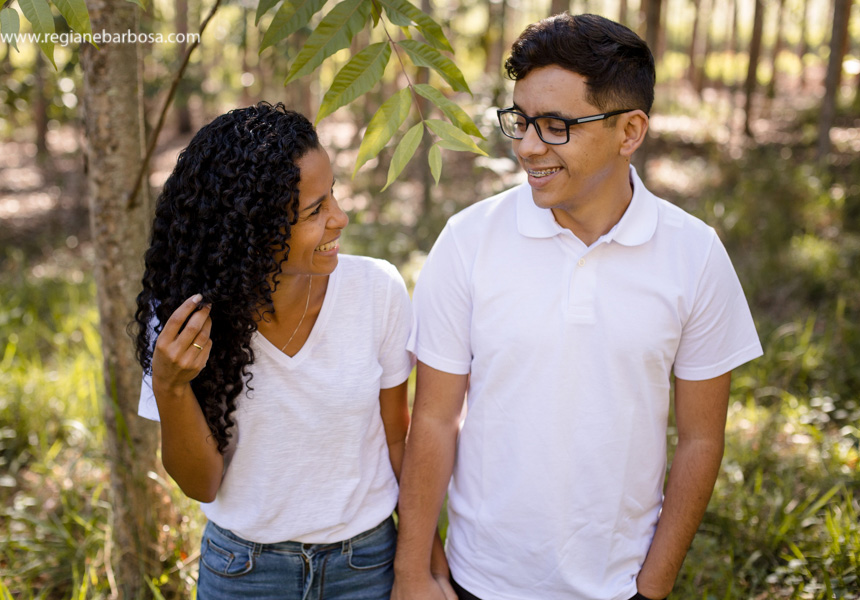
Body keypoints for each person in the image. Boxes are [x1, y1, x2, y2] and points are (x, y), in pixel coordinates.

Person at [391, 13, 763, 600]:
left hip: (620, 585)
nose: (527, 146)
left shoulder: (694, 254)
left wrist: (654, 585)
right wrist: (413, 572)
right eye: (521, 121)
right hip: (478, 578)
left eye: (555, 126)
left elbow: (700, 439)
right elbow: (434, 419)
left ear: (629, 131)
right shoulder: (468, 241)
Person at [132, 102, 453, 599]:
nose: (340, 217)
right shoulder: (184, 320)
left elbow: (398, 442)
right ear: (253, 230)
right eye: (314, 210)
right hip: (244, 574)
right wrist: (170, 386)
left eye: (333, 195)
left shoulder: (376, 290)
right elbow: (201, 485)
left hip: (365, 565)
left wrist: (427, 568)